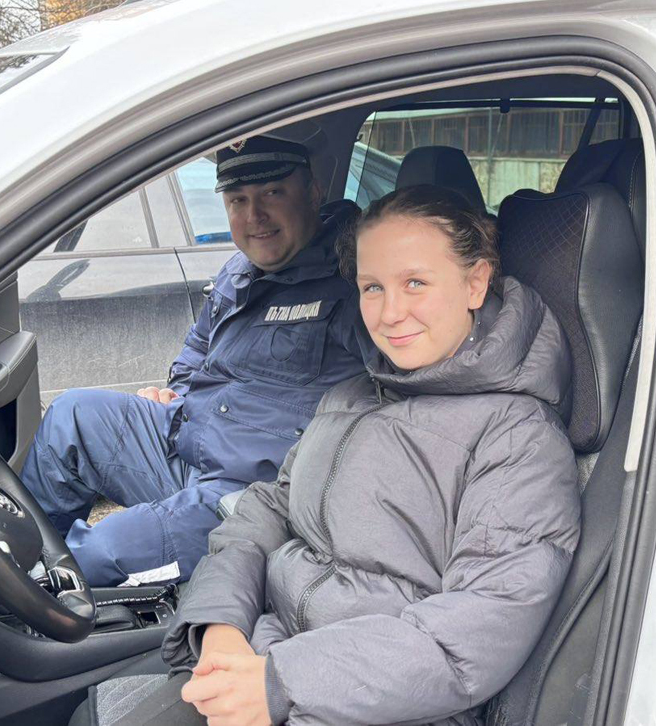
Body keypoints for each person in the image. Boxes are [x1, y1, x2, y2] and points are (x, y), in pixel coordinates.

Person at [77, 185, 581, 726]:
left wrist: (281, 683)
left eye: (415, 282)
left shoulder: (516, 437)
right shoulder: (357, 393)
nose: (391, 313)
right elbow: (266, 509)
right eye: (372, 287)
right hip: (266, 652)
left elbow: (476, 629)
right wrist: (220, 623)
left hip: (376, 704)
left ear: (476, 282)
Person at [20, 136, 369, 587]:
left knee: (97, 555)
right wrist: (176, 393)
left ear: (314, 192)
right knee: (72, 414)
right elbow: (194, 353)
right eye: (237, 200)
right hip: (187, 443)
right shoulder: (237, 273)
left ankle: (41, 599)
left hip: (252, 494)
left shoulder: (355, 282)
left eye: (272, 193)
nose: (254, 216)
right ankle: (24, 560)